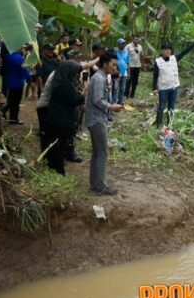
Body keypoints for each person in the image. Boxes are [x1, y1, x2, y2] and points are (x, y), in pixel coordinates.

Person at [85, 52, 123, 195]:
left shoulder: (100, 77)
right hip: (97, 120)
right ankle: (100, 186)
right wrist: (112, 107)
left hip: (96, 119)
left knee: (97, 152)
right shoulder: (99, 78)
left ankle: (94, 184)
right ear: (105, 64)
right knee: (102, 153)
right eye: (113, 65)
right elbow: (98, 100)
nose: (115, 67)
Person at [37, 60, 84, 175]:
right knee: (57, 144)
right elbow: (75, 100)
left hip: (55, 116)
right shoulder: (64, 84)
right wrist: (85, 90)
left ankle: (52, 164)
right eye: (74, 72)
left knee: (53, 142)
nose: (76, 75)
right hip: (58, 118)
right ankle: (57, 168)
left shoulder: (60, 80)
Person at [152, 38, 194, 127]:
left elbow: (184, 52)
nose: (168, 51)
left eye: (169, 49)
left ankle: (170, 124)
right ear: (162, 51)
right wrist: (154, 88)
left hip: (174, 87)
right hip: (163, 88)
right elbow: (155, 76)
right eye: (166, 49)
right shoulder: (158, 62)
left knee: (171, 107)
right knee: (161, 106)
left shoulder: (174, 58)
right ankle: (159, 124)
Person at [0, 43, 32, 124]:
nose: (22, 48)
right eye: (21, 47)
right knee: (15, 102)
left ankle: (7, 115)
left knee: (11, 101)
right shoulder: (19, 58)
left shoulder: (8, 56)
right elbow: (24, 70)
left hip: (9, 82)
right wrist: (29, 80)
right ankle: (12, 118)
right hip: (17, 83)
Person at [114, 38, 130, 105]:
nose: (123, 44)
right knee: (116, 88)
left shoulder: (127, 52)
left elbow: (128, 63)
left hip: (124, 73)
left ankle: (121, 102)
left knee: (122, 89)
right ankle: (114, 102)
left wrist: (129, 73)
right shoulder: (115, 51)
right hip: (116, 73)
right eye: (121, 43)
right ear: (118, 44)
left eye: (124, 43)